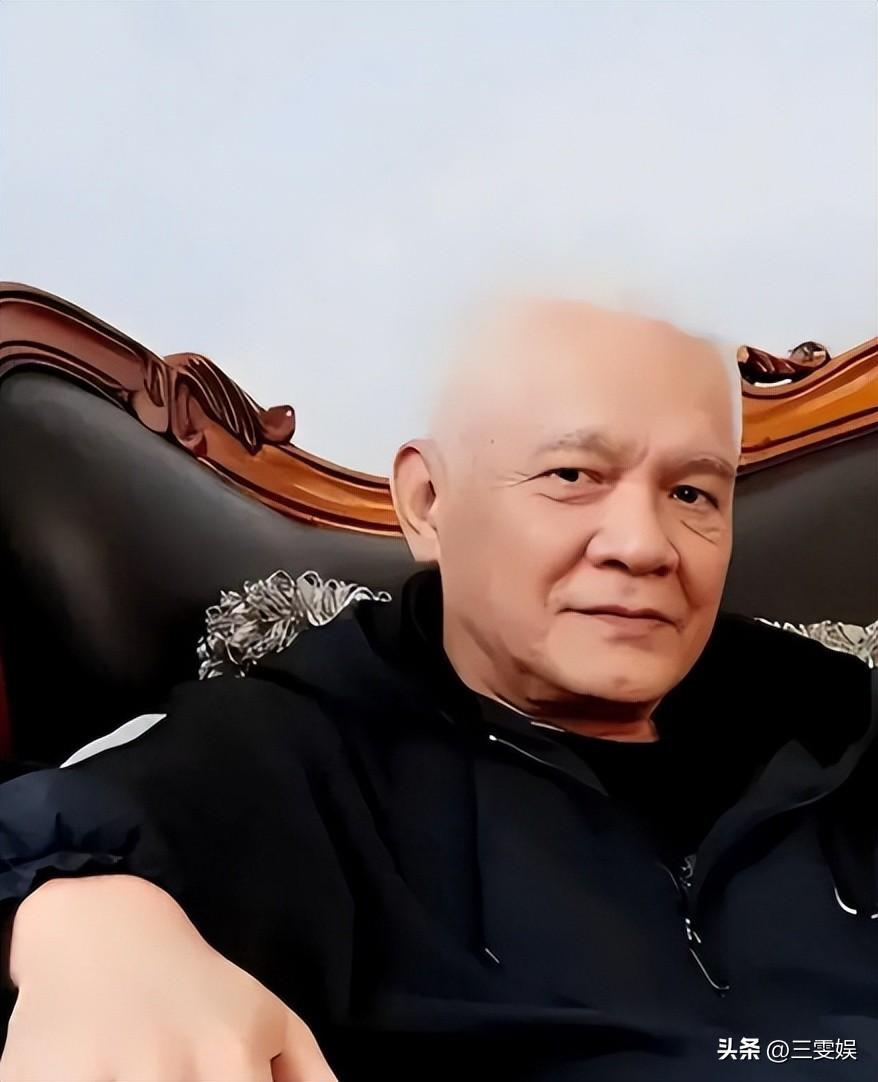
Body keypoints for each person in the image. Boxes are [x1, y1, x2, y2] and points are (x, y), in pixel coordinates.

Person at [0, 300, 874, 1081]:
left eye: (692, 492)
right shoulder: (305, 740)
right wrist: (85, 926)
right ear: (427, 501)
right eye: (573, 476)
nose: (645, 546)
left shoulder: (838, 724)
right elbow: (57, 822)